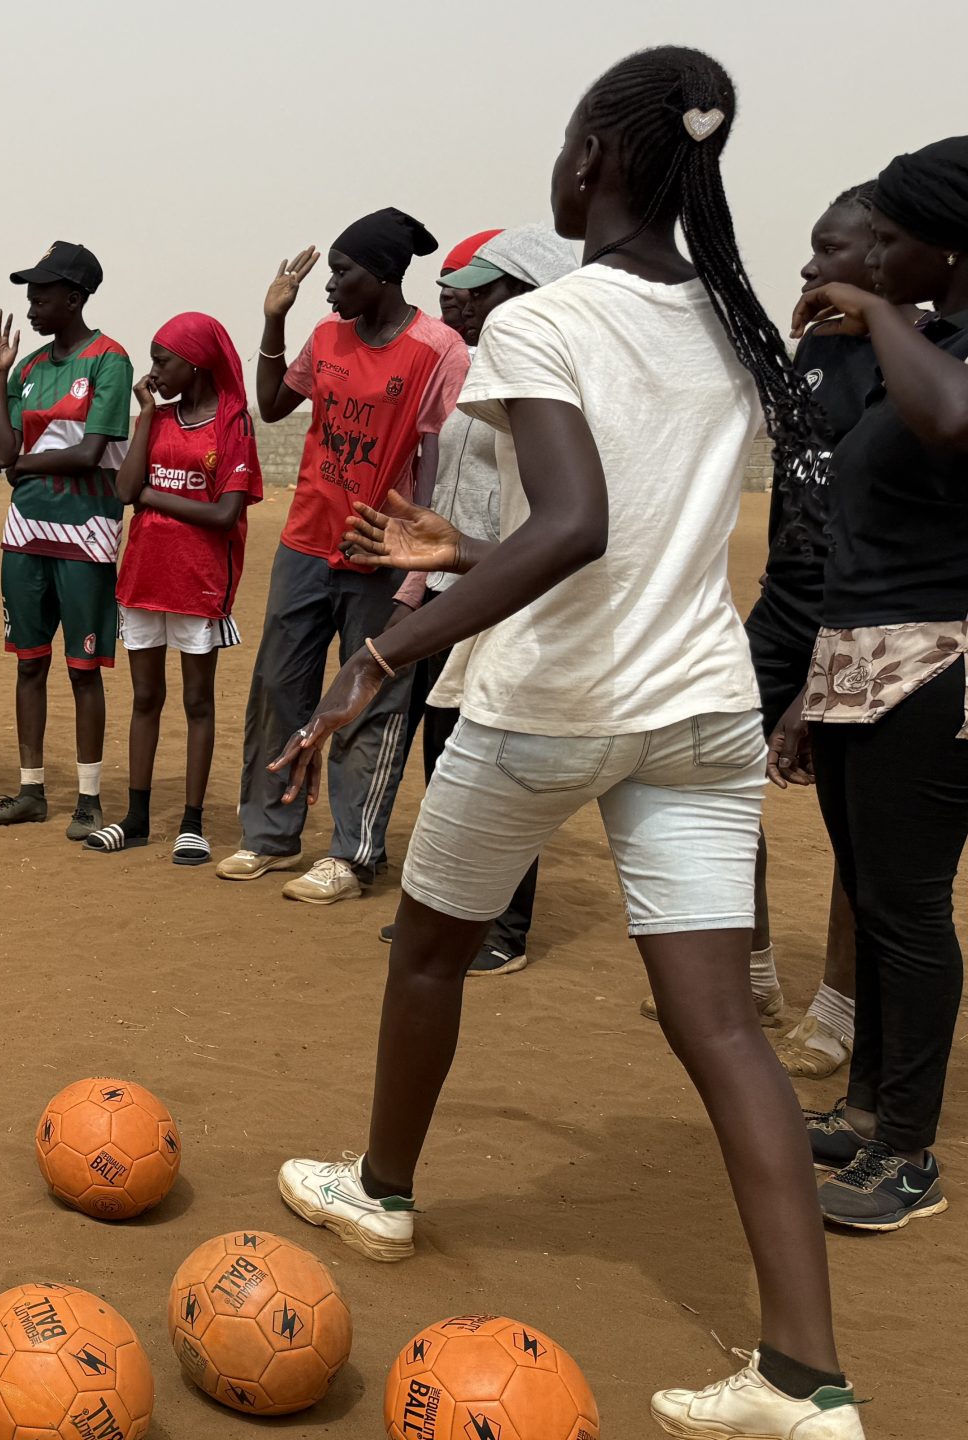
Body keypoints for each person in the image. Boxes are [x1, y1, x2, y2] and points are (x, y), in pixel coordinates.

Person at [275, 49, 864, 1438]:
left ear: (595, 155)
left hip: (550, 705)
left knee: (429, 950)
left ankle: (383, 1191)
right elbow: (632, 537)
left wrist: (383, 651)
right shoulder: (734, 325)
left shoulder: (542, 326)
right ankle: (806, 1380)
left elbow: (575, 526)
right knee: (721, 1025)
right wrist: (469, 550)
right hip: (700, 708)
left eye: (564, 141)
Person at [778, 133, 968, 1234]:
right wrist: (816, 687)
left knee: (905, 913)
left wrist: (877, 312)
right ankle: (861, 1109)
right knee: (868, 886)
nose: (872, 259)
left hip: (938, 667)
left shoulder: (938, 357)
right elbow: (858, 532)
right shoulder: (923, 340)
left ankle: (907, 1155)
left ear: (946, 246)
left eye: (891, 241)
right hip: (864, 657)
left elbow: (950, 422)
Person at [708, 185, 905, 1077]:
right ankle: (750, 973)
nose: (808, 266)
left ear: (884, 254)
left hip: (869, 617)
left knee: (855, 825)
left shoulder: (925, 356)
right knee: (713, 776)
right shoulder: (817, 345)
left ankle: (838, 1007)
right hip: (782, 602)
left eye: (829, 250)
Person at [225, 206, 468, 904]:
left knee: (365, 698)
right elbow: (271, 405)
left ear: (385, 274)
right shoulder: (325, 334)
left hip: (382, 551)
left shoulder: (437, 348)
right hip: (306, 538)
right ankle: (270, 835)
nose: (330, 285)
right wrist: (274, 317)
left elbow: (442, 463)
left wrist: (418, 568)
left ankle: (351, 854)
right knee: (279, 687)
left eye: (343, 271)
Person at [376, 224, 581, 974]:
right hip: (454, 585)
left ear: (527, 291)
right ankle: (454, 915)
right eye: (449, 296)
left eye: (476, 294)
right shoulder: (475, 375)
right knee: (451, 758)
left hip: (516, 590)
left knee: (505, 763)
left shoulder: (556, 379)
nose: (456, 308)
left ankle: (505, 927)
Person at [0, 242, 134, 837]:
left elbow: (94, 452)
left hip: (87, 532)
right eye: (29, 295)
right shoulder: (27, 369)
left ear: (75, 298)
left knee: (83, 668)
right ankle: (31, 789)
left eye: (42, 296)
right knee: (28, 663)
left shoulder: (108, 361)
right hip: (25, 535)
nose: (31, 305)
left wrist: (30, 466)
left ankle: (89, 799)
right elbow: (1, 454)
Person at [104, 312, 264, 863]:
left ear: (195, 363)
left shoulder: (233, 424)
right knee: (145, 698)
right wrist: (147, 413)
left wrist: (151, 497)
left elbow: (223, 514)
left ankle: (192, 823)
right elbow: (125, 487)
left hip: (197, 585)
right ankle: (138, 817)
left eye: (163, 362)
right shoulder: (160, 417)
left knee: (197, 702)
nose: (154, 372)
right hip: (144, 577)